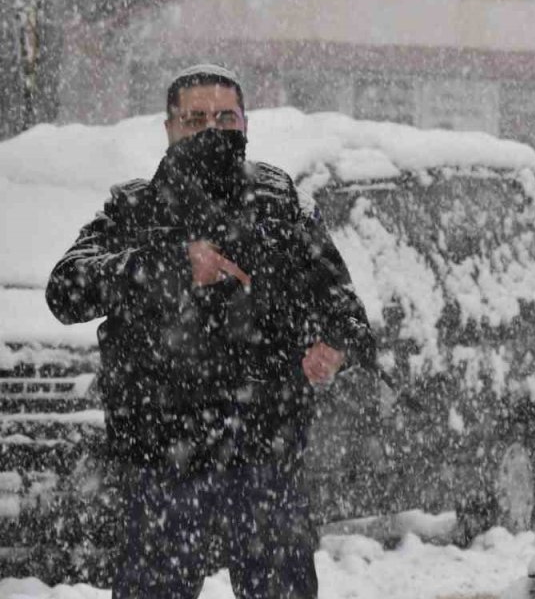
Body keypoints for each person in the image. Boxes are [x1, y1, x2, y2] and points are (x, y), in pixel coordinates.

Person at [45, 64, 374, 598]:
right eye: (196, 118)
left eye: (225, 117)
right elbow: (66, 290)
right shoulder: (136, 208)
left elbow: (346, 311)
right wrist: (172, 266)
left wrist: (334, 348)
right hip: (163, 462)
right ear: (170, 126)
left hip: (265, 457)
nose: (212, 130)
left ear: (245, 124)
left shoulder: (280, 205)